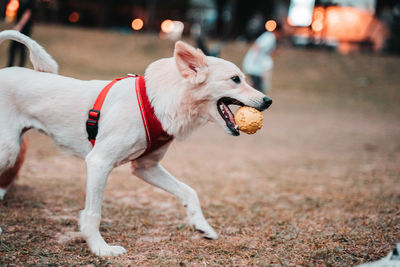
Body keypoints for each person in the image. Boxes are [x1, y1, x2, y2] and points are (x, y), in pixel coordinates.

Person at [7, 0, 35, 67]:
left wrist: (19, 26)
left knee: (21, 47)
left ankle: (20, 66)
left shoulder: (30, 3)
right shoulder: (20, 1)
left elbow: (27, 14)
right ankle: (11, 65)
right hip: (20, 27)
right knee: (14, 48)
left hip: (24, 28)